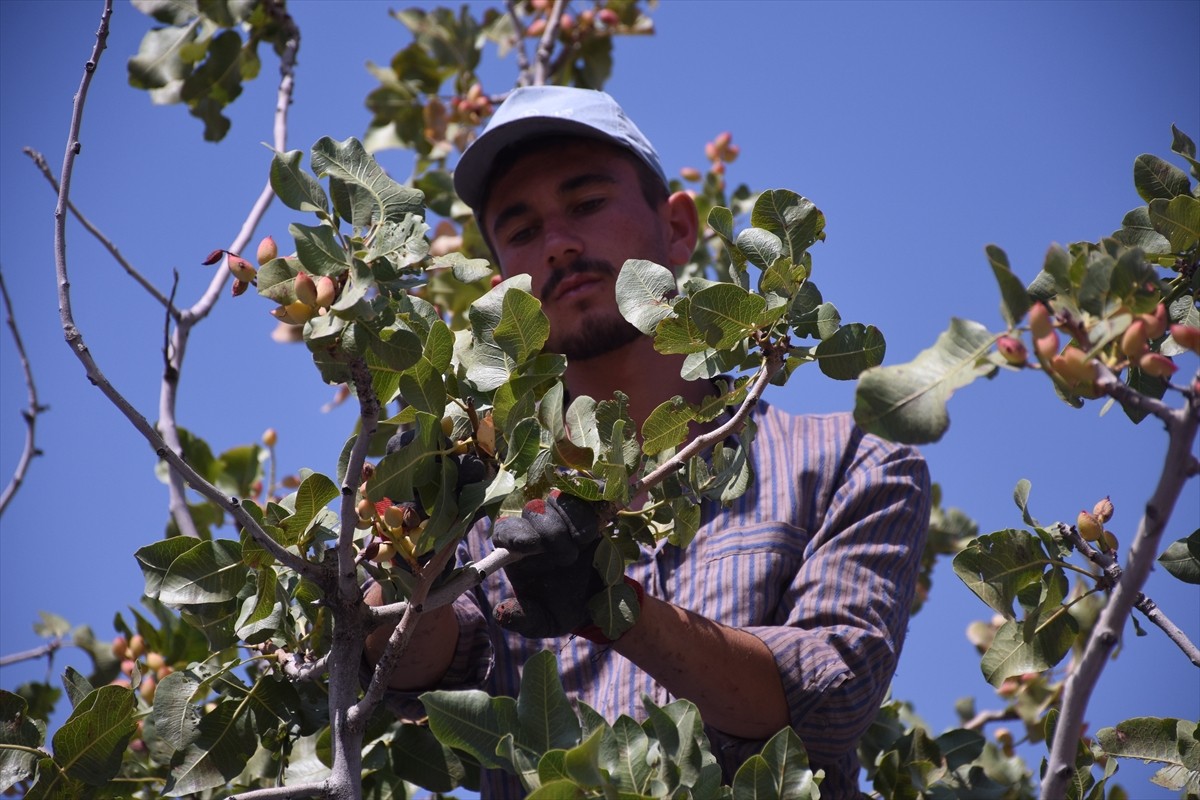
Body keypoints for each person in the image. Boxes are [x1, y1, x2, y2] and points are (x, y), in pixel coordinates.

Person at [365, 86, 932, 799]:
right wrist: (411, 547)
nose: (559, 243)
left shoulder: (851, 460)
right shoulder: (480, 481)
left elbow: (827, 701)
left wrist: (609, 606)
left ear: (679, 228)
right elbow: (411, 673)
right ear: (505, 282)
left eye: (587, 203)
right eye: (523, 228)